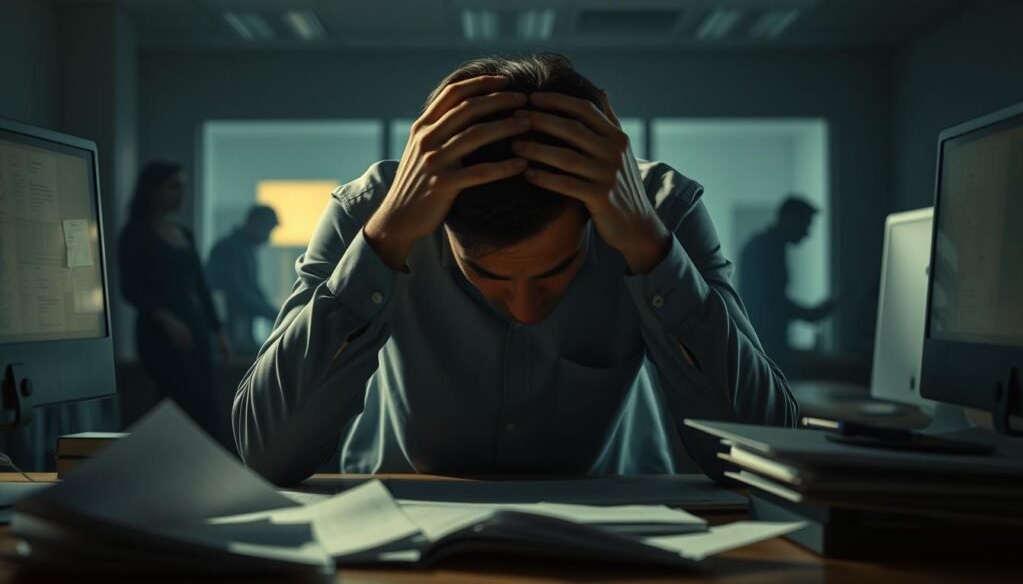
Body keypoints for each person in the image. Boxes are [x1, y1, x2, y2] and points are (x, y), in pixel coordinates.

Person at [233, 54, 798, 485]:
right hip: (398, 537)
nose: (527, 311)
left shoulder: (661, 213)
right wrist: (383, 242)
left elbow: (769, 450)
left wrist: (651, 252)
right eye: (488, 277)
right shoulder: (373, 214)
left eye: (558, 272)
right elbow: (265, 453)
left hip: (615, 540)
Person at [120, 161, 231, 436]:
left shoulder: (185, 234)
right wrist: (166, 319)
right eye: (174, 187)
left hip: (194, 327)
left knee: (205, 401)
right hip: (159, 332)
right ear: (153, 189)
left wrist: (218, 331)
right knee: (183, 400)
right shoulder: (135, 233)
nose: (181, 194)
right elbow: (129, 288)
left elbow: (201, 286)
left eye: (182, 187)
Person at [738, 196, 836, 373]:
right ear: (789, 218)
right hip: (764, 345)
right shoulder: (765, 249)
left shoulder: (763, 246)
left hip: (761, 344)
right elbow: (771, 302)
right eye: (805, 224)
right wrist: (810, 314)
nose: (807, 232)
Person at [207, 205, 280, 354]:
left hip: (237, 330)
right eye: (267, 229)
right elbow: (237, 293)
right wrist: (274, 314)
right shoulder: (230, 248)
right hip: (228, 331)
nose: (268, 237)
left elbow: (253, 289)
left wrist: (275, 313)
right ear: (254, 223)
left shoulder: (243, 249)